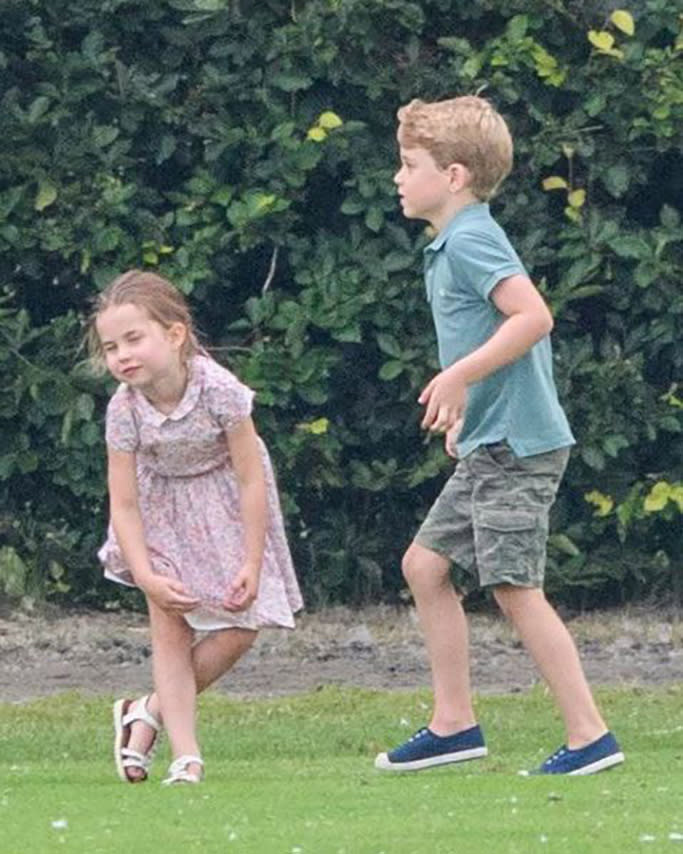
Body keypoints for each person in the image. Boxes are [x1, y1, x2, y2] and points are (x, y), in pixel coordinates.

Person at [374, 96, 624, 776]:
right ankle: (453, 725)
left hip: (518, 444)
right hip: (494, 438)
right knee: (424, 567)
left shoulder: (473, 237)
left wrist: (456, 379)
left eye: (408, 164)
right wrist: (467, 409)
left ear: (452, 175)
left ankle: (588, 736)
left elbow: (530, 319)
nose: (396, 177)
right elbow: (493, 336)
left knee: (513, 586)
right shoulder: (453, 242)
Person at [88, 269, 303, 785]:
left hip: (225, 506)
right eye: (111, 346)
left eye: (134, 339)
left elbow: (251, 479)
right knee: (170, 628)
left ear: (175, 333)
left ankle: (145, 712)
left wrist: (252, 561)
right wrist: (144, 574)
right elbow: (125, 501)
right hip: (159, 512)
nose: (122, 355)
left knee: (239, 628)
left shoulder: (220, 389)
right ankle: (187, 756)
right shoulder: (124, 409)